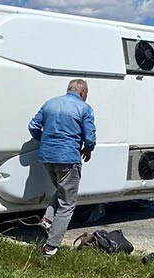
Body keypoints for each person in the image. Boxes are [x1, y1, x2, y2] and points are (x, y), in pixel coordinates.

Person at [29, 79, 96, 257]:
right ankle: (51, 247)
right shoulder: (84, 108)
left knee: (61, 190)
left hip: (46, 157)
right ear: (82, 92)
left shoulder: (50, 103)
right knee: (67, 203)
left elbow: (33, 126)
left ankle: (47, 219)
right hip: (68, 158)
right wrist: (88, 150)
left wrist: (45, 141)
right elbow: (89, 137)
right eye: (86, 94)